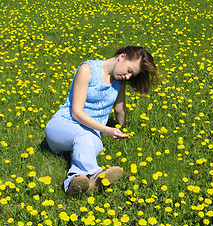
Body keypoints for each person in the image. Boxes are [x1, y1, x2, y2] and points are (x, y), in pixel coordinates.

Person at [45, 46, 158, 196]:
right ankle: (96, 175)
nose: (128, 77)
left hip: (91, 135)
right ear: (122, 56)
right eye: (129, 71)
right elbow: (77, 113)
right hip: (62, 125)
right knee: (85, 138)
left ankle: (74, 184)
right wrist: (107, 130)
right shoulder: (87, 70)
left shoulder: (119, 81)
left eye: (132, 75)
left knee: (87, 141)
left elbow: (119, 109)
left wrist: (121, 127)